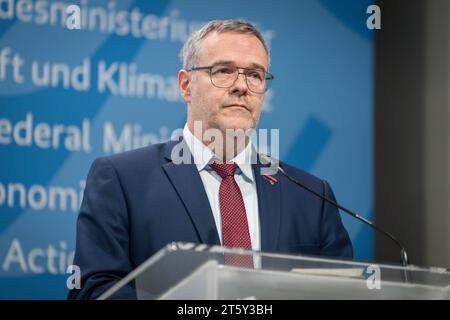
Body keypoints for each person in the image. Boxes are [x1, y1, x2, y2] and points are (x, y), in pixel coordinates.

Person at [69, 19, 352, 300]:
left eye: (255, 75)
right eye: (224, 71)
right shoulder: (122, 179)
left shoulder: (313, 197)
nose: (241, 86)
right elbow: (94, 291)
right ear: (186, 85)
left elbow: (344, 295)